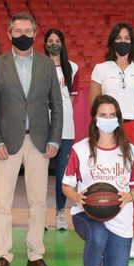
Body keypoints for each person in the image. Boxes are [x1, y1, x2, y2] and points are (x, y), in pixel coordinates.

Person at [0, 11, 63, 266]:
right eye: (18, 31)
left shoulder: (47, 66)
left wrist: (54, 138)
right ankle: (3, 255)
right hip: (6, 143)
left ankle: (35, 255)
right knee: (2, 203)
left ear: (36, 33)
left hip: (39, 142)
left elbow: (57, 106)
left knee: (38, 202)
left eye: (28, 31)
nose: (24, 36)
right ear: (9, 34)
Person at [61, 95, 134, 266]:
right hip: (86, 215)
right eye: (103, 115)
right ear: (94, 119)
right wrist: (77, 197)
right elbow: (66, 186)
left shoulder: (130, 151)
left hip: (119, 220)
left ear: (118, 119)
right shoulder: (80, 150)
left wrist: (128, 196)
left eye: (112, 115)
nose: (107, 119)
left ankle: (100, 256)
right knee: (97, 235)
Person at [88, 22, 134, 152]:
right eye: (119, 38)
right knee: (109, 168)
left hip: (133, 126)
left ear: (132, 42)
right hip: (107, 126)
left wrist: (129, 118)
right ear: (112, 41)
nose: (123, 41)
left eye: (127, 38)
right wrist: (108, 121)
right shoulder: (100, 68)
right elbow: (94, 103)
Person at [45, 28, 80, 232]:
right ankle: (39, 215)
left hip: (65, 128)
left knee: (62, 175)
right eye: (50, 40)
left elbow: (72, 99)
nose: (54, 43)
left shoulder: (72, 67)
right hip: (43, 127)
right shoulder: (39, 65)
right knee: (39, 175)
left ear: (63, 43)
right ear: (45, 43)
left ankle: (60, 213)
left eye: (57, 40)